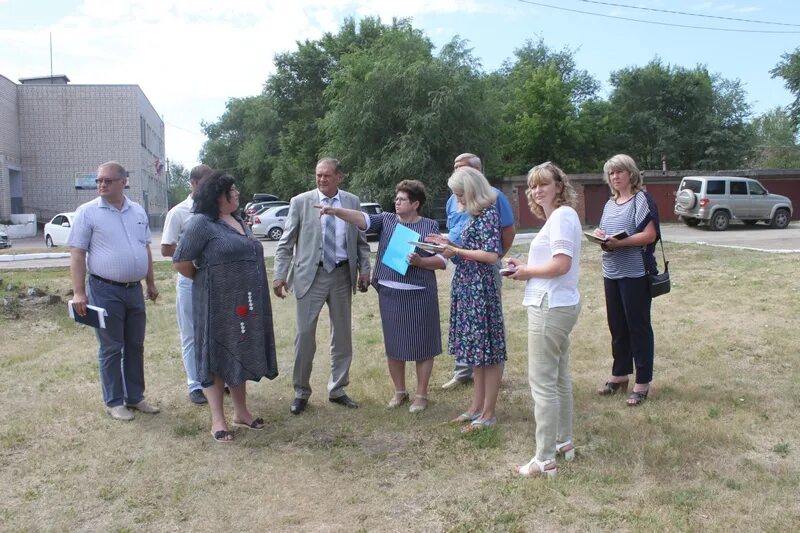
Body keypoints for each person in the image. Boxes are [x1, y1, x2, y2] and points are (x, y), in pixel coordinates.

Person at [318, 180, 445, 412]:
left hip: (419, 294)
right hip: (389, 293)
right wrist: (336, 211)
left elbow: (442, 261)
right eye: (395, 199)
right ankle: (399, 392)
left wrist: (420, 261)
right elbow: (361, 219)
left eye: (402, 199)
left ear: (416, 203)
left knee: (423, 345)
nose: (396, 202)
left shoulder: (429, 226)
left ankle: (421, 394)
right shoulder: (386, 220)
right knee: (394, 345)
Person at [172, 172, 278, 442]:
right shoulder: (201, 224)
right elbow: (182, 262)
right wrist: (210, 278)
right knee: (216, 357)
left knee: (239, 349)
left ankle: (241, 412)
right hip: (216, 302)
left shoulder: (239, 219)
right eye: (233, 189)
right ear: (219, 195)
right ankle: (218, 419)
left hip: (245, 301)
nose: (238, 193)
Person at [273, 158, 371, 415]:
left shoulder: (352, 201)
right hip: (310, 275)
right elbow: (285, 244)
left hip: (341, 275)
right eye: (318, 175)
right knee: (304, 335)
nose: (322, 179)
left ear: (340, 177)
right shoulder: (300, 202)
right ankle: (301, 392)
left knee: (342, 336)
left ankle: (338, 388)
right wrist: (279, 275)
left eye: (327, 175)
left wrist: (365, 270)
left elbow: (361, 241)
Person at [506, 162, 582, 477]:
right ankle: (564, 443)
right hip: (558, 303)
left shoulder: (563, 216)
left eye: (544, 184)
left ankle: (544, 458)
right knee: (559, 378)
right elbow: (550, 262)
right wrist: (522, 264)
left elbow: (561, 264)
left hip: (549, 307)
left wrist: (525, 272)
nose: (537, 190)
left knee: (543, 384)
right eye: (533, 186)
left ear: (559, 186)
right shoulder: (557, 219)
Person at [68, 161, 160, 421]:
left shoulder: (137, 211)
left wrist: (150, 282)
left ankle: (135, 396)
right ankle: (114, 401)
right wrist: (78, 292)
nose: (102, 184)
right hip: (104, 289)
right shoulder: (87, 212)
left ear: (124, 182)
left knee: (135, 345)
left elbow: (144, 249)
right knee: (111, 347)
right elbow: (77, 253)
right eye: (99, 180)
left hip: (134, 290)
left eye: (108, 180)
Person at [429, 167, 506, 431]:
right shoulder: (471, 215)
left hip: (480, 288)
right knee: (475, 352)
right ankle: (475, 407)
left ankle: (488, 413)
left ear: (471, 191)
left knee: (488, 352)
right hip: (466, 285)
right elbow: (462, 246)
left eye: (460, 194)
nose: (457, 199)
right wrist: (443, 242)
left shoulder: (487, 214)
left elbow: (491, 255)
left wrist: (456, 249)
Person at [441, 153, 516, 390]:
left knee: (485, 326)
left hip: (480, 273)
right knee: (468, 328)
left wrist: (495, 258)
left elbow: (505, 233)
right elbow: (455, 230)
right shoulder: (454, 200)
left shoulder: (494, 200)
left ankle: (492, 376)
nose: (456, 173)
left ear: (475, 176)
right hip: (463, 271)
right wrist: (443, 245)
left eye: (461, 170)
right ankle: (465, 372)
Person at [593, 154, 659, 406]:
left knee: (638, 327)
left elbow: (649, 235)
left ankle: (642, 382)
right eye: (611, 173)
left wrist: (621, 242)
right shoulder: (610, 204)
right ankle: (619, 376)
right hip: (611, 272)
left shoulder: (641, 199)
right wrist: (601, 237)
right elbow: (605, 233)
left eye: (619, 172)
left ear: (631, 174)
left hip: (635, 273)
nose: (615, 177)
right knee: (617, 326)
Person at [161, 164, 213, 405]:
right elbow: (166, 248)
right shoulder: (179, 212)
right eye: (206, 183)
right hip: (189, 279)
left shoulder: (215, 209)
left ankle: (213, 380)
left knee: (213, 331)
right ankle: (195, 384)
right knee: (191, 333)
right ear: (193, 184)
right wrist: (189, 254)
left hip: (213, 279)